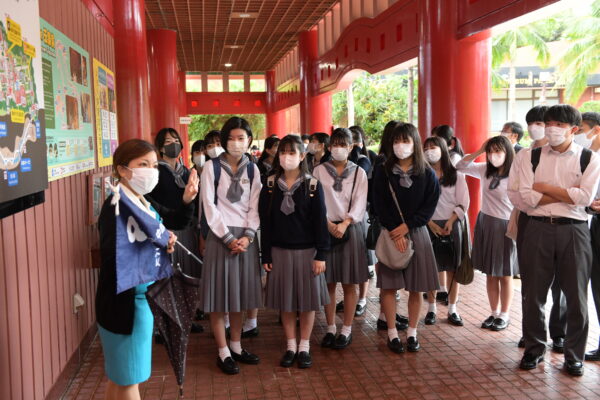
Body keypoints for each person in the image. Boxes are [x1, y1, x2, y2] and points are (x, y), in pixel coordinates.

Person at [96, 139, 192, 400]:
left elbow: (168, 224)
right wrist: (154, 248)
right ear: (122, 169)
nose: (151, 171)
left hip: (139, 302)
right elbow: (114, 258)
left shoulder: (141, 201)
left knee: (120, 379)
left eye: (153, 165)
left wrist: (164, 242)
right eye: (143, 164)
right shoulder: (117, 206)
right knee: (129, 382)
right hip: (125, 307)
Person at [517, 104, 600, 376]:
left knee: (576, 296)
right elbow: (526, 197)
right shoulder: (531, 156)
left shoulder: (588, 158)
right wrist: (566, 193)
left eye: (560, 125)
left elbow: (585, 198)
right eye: (549, 123)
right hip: (537, 228)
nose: (552, 129)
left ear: (573, 130)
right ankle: (534, 349)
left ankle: (574, 356)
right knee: (533, 294)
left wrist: (545, 189)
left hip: (574, 231)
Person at [259, 135, 330, 369]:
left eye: (292, 152)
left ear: (302, 156)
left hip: (308, 252)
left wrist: (321, 254)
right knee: (286, 302)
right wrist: (266, 254)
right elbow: (265, 222)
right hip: (279, 251)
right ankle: (290, 346)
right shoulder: (270, 184)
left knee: (307, 303)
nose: (286, 156)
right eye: (283, 152)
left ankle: (304, 346)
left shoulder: (312, 185)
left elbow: (320, 222)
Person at [199, 117, 263, 375]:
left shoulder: (253, 169)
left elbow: (255, 207)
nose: (236, 143)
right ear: (224, 140)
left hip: (245, 240)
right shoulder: (211, 167)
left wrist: (248, 236)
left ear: (249, 140)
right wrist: (227, 237)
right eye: (231, 138)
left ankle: (236, 345)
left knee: (239, 296)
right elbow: (208, 205)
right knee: (219, 298)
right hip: (220, 237)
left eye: (241, 138)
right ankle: (223, 351)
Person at [373, 122, 440, 354]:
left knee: (416, 288)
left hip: (417, 233)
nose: (400, 145)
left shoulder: (427, 173)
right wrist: (395, 229)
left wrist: (407, 226)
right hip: (390, 234)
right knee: (388, 287)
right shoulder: (383, 171)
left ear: (415, 143)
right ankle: (392, 333)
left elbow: (429, 207)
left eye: (405, 141)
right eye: (396, 141)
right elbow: (378, 203)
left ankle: (412, 332)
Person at [507, 105, 567, 352]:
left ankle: (559, 333)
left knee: (562, 283)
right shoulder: (524, 155)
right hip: (530, 220)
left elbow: (577, 195)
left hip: (564, 223)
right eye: (532, 123)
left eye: (542, 123)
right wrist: (539, 202)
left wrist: (540, 196)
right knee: (531, 283)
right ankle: (531, 334)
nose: (538, 128)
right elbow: (516, 193)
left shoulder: (572, 155)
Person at [313, 128, 368, 350]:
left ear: (351, 147)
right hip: (324, 229)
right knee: (328, 282)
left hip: (350, 230)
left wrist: (345, 223)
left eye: (343, 144)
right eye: (335, 144)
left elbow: (361, 201)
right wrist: (327, 224)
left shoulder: (359, 172)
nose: (338, 148)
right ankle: (330, 328)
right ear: (329, 147)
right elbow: (315, 201)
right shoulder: (318, 171)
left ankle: (346, 330)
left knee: (349, 283)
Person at [457, 135, 517, 332]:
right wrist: (479, 151)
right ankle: (493, 312)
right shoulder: (484, 169)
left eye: (497, 151)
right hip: (486, 222)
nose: (493, 155)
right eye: (490, 152)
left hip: (506, 225)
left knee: (505, 273)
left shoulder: (516, 173)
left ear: (507, 152)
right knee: (491, 273)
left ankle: (505, 314)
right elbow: (460, 166)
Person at [149, 128, 203, 333]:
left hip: (186, 230)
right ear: (160, 148)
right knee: (166, 278)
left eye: (176, 140)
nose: (174, 145)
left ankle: (184, 318)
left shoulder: (186, 172)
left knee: (184, 276)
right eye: (168, 142)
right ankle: (163, 325)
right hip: (165, 232)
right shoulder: (156, 172)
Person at [423, 136, 469, 327]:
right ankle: (431, 308)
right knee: (431, 269)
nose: (429, 151)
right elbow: (418, 203)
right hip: (428, 225)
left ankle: (452, 309)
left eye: (433, 147)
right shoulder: (422, 174)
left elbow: (463, 201)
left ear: (443, 149)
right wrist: (430, 223)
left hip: (452, 224)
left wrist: (450, 221)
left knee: (453, 268)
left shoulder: (456, 174)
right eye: (426, 148)